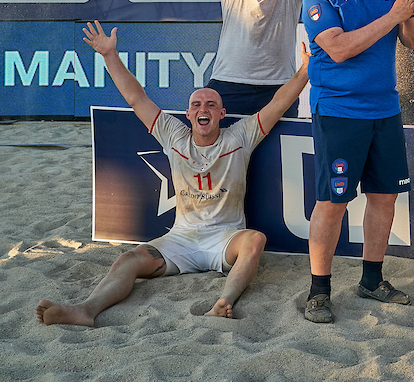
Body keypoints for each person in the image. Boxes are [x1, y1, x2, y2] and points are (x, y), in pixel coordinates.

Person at [36, 21, 310, 327]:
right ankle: (85, 309)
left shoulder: (241, 136)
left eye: (211, 104)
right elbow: (136, 98)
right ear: (189, 113)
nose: (202, 107)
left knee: (255, 240)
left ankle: (223, 303)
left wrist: (306, 70)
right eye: (196, 104)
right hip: (182, 240)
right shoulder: (173, 134)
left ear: (221, 113)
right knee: (129, 259)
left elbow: (279, 102)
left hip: (225, 239)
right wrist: (109, 55)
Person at [301, 0, 414, 324]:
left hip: (384, 109)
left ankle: (371, 279)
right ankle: (319, 290)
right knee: (333, 201)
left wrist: (408, 11)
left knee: (385, 197)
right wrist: (394, 15)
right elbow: (339, 48)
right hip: (339, 111)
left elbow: (412, 41)